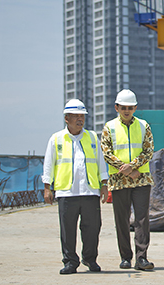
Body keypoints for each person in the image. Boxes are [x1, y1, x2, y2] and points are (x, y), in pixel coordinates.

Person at [42, 99, 108, 275]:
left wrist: (104, 184)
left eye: (82, 116)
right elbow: (49, 163)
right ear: (67, 118)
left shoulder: (93, 137)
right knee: (68, 230)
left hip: (89, 190)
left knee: (93, 228)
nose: (80, 119)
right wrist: (47, 187)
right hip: (66, 191)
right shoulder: (56, 139)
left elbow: (101, 162)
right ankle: (70, 261)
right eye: (76, 116)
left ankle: (90, 258)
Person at [101, 89, 155, 271]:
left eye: (130, 108)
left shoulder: (144, 126)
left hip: (140, 179)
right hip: (119, 180)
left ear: (135, 108)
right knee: (121, 219)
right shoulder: (109, 127)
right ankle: (125, 257)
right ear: (116, 107)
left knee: (142, 219)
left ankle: (142, 258)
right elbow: (106, 152)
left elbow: (149, 150)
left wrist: (133, 167)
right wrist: (125, 170)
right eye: (123, 107)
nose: (126, 111)